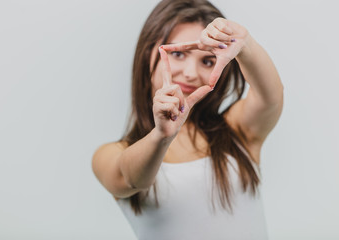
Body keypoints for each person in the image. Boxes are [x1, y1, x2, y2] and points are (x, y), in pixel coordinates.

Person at [92, 0, 283, 239]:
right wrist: (161, 136)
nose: (191, 73)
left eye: (207, 61)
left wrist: (246, 44)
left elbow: (270, 98)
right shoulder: (112, 154)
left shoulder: (237, 130)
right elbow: (130, 178)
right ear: (147, 53)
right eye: (178, 53)